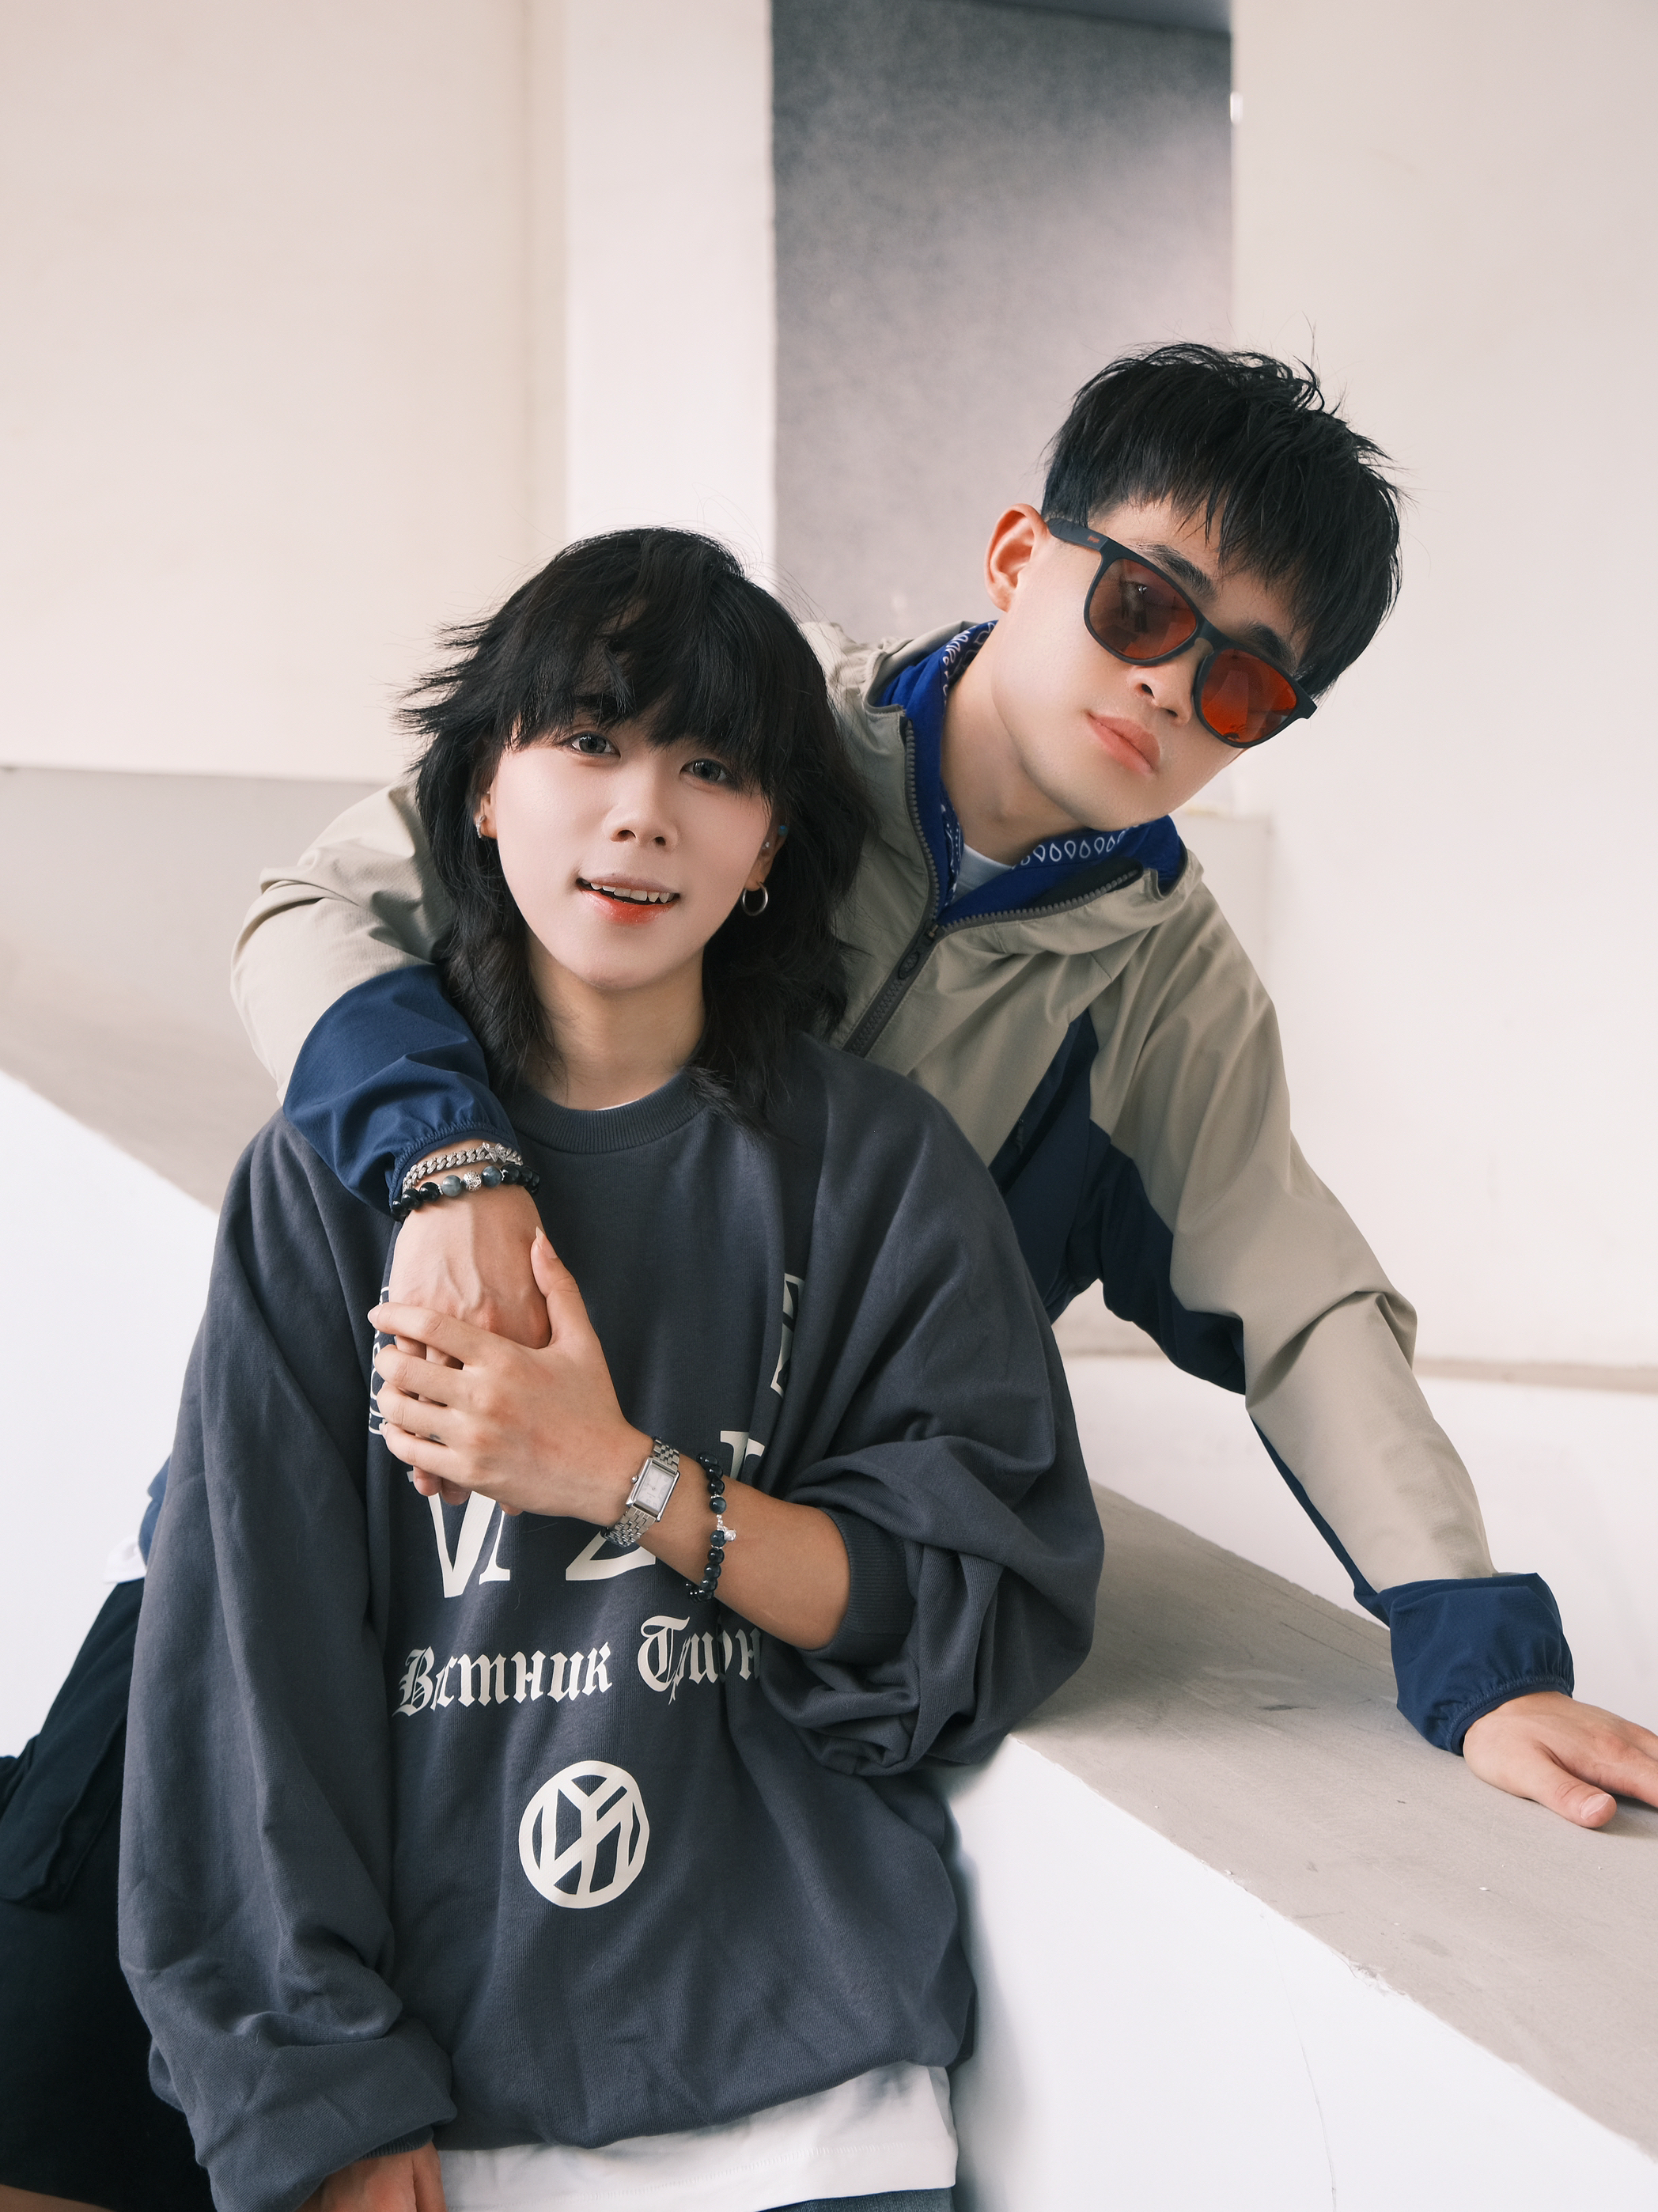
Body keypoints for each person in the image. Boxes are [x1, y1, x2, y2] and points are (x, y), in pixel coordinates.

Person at [225, 345, 1658, 1824]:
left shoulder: (1161, 987)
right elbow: (320, 913)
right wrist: (452, 1169)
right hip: (420, 1476)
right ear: (1020, 556)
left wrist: (1483, 1664)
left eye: (1238, 683)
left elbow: (1303, 1308)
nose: (1167, 685)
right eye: (1142, 605)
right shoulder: (738, 725)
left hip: (709, 1583)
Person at [116, 528, 1102, 2212]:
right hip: (445, 2126)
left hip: (816, 2107)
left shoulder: (878, 1167)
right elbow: (248, 1680)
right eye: (587, 739)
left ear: (770, 842)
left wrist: (613, 1477)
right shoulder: (327, 1185)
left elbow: (964, 1610)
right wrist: (320, 2100)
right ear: (481, 791)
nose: (643, 814)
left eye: (710, 769)